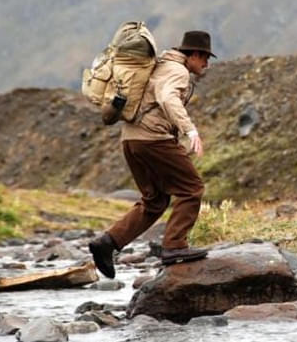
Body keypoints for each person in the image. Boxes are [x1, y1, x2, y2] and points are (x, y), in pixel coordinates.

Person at [88, 30, 215, 278]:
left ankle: (108, 242)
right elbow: (167, 98)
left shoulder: (160, 66)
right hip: (154, 139)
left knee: (155, 201)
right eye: (205, 58)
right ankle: (174, 246)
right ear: (195, 54)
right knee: (192, 189)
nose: (206, 64)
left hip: (131, 140)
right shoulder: (178, 71)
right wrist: (190, 130)